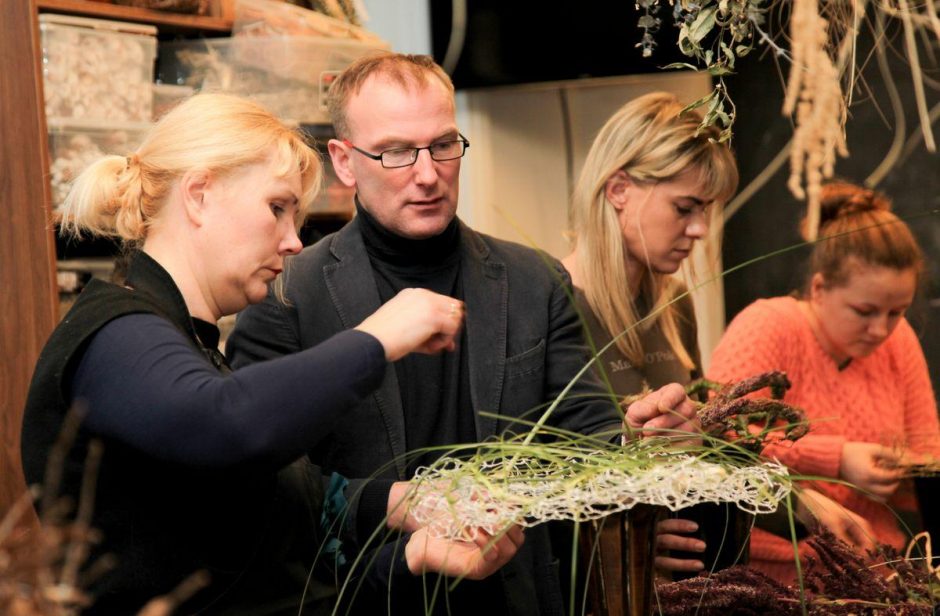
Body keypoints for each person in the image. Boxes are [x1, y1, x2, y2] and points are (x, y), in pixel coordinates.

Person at [227, 53, 699, 614]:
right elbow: (268, 482)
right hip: (362, 592)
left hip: (513, 595)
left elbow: (588, 440)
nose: (427, 173)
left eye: (444, 145)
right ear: (345, 161)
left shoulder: (534, 281)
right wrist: (396, 504)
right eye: (397, 152)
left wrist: (642, 442)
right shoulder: (288, 293)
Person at [20, 92, 524, 615]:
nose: (293, 242)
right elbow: (226, 423)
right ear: (199, 195)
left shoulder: (191, 345)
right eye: (277, 208)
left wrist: (413, 540)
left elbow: (284, 565)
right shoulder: (113, 333)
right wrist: (376, 338)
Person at [707, 181, 940, 583]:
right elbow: (719, 445)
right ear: (818, 289)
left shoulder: (899, 341)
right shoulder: (768, 326)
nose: (881, 329)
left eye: (896, 312)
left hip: (873, 569)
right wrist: (838, 459)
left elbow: (927, 454)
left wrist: (898, 474)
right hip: (771, 574)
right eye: (864, 311)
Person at [560, 91, 740, 576]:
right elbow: (536, 478)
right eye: (685, 208)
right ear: (619, 189)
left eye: (707, 210)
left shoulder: (674, 306)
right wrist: (626, 534)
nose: (701, 229)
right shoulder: (550, 307)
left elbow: (701, 448)